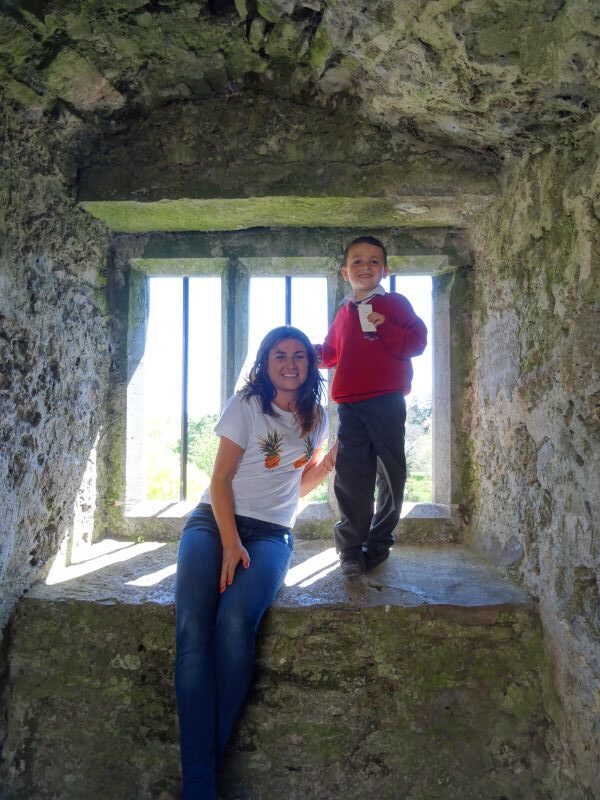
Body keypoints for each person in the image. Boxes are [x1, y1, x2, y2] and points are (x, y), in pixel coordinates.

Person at [175, 325, 335, 800]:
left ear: (310, 364)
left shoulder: (318, 419)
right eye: (279, 355)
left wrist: (325, 469)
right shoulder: (246, 406)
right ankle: (201, 786)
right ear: (265, 364)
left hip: (271, 535)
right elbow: (220, 480)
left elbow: (294, 486)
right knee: (191, 633)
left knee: (236, 623)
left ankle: (200, 778)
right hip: (212, 524)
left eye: (299, 356)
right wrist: (229, 542)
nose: (290, 363)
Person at [317, 236, 427, 577]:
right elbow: (331, 352)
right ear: (344, 272)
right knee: (351, 476)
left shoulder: (395, 304)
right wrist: (300, 353)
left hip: (386, 402)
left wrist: (387, 327)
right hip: (350, 406)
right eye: (357, 261)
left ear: (385, 269)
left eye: (373, 261)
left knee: (391, 474)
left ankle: (377, 545)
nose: (365, 267)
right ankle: (350, 550)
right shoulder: (345, 312)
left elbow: (417, 342)